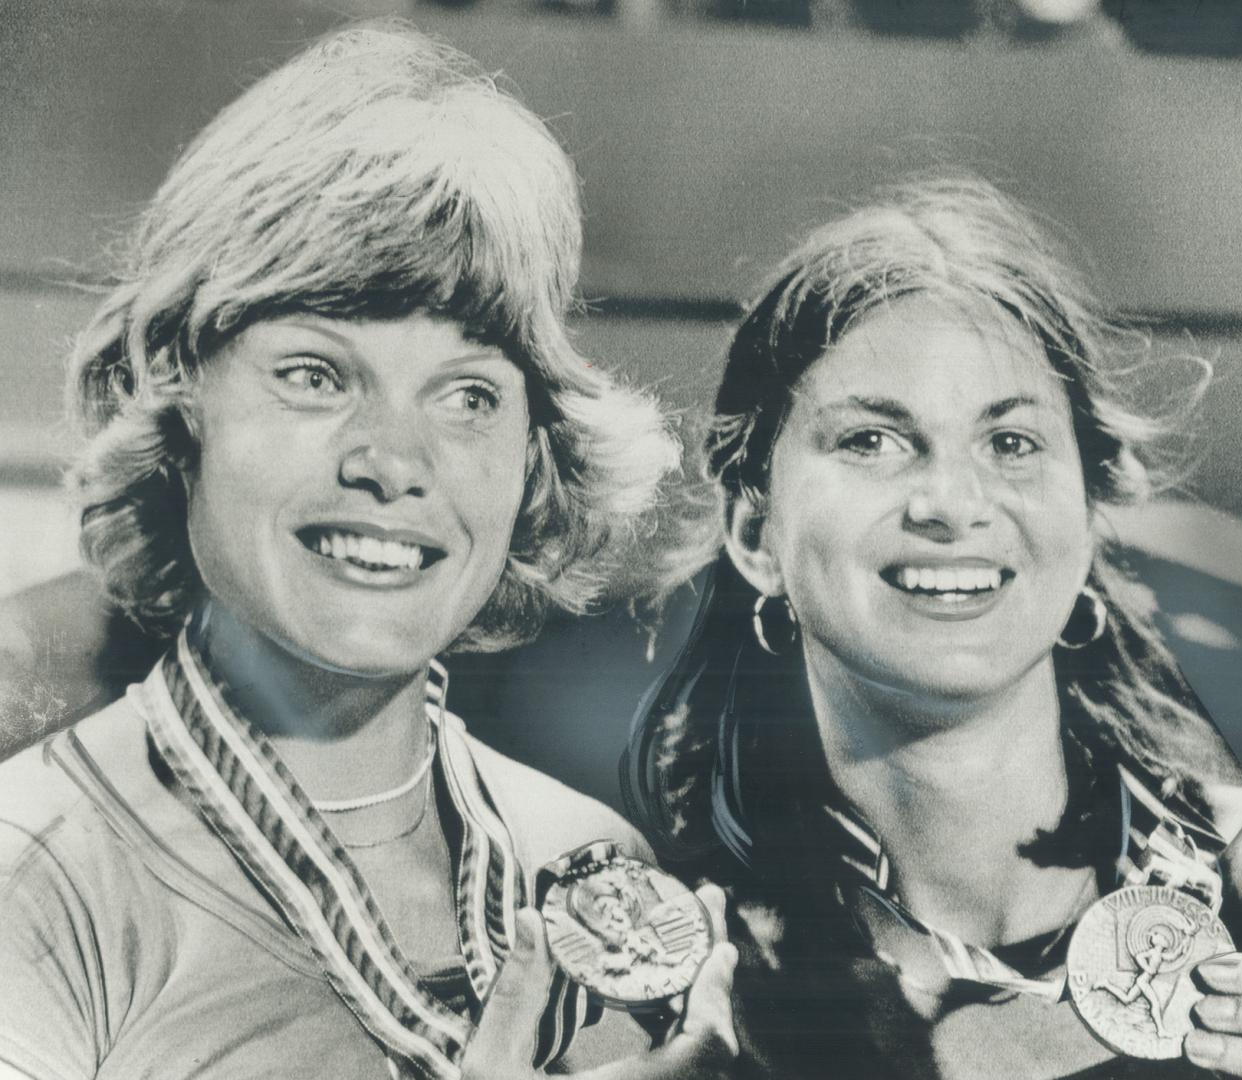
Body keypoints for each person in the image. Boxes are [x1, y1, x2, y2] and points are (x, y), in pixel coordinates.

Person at [0, 24, 738, 1080]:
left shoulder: (593, 876)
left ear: (534, 455)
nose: (395, 461)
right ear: (178, 389)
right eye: (315, 374)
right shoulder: (33, 881)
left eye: (468, 394)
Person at [626, 176, 1242, 1079]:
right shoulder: (665, 967)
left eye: (1011, 442)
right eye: (871, 440)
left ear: (1089, 514)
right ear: (754, 535)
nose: (951, 505)